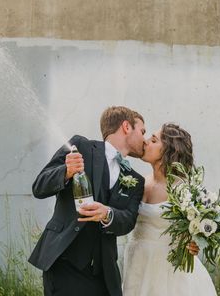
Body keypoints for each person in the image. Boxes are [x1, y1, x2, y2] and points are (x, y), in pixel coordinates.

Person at [29, 106, 146, 296]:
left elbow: (128, 221)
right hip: (64, 264)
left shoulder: (136, 180)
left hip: (104, 274)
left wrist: (108, 214)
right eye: (142, 131)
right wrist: (65, 172)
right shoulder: (80, 146)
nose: (145, 139)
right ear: (126, 126)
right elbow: (39, 187)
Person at [122, 123, 218, 296]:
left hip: (169, 272)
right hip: (138, 264)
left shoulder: (184, 189)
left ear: (168, 151)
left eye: (153, 140)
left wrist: (195, 242)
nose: (145, 143)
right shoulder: (139, 183)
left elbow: (198, 227)